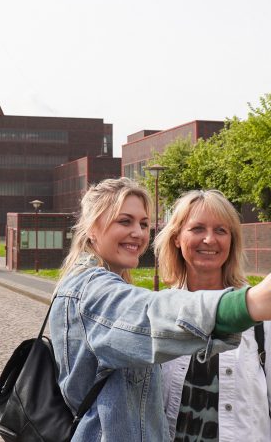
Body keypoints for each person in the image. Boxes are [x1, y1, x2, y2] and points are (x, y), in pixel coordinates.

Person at [49, 177, 271, 441]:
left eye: (143, 224)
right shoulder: (91, 291)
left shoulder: (112, 287)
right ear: (92, 227)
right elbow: (147, 315)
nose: (139, 233)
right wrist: (251, 303)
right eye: (125, 221)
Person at [156, 189, 271, 441]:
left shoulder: (260, 316)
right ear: (176, 238)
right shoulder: (160, 312)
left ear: (232, 241)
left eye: (221, 230)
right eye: (197, 228)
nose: (209, 239)